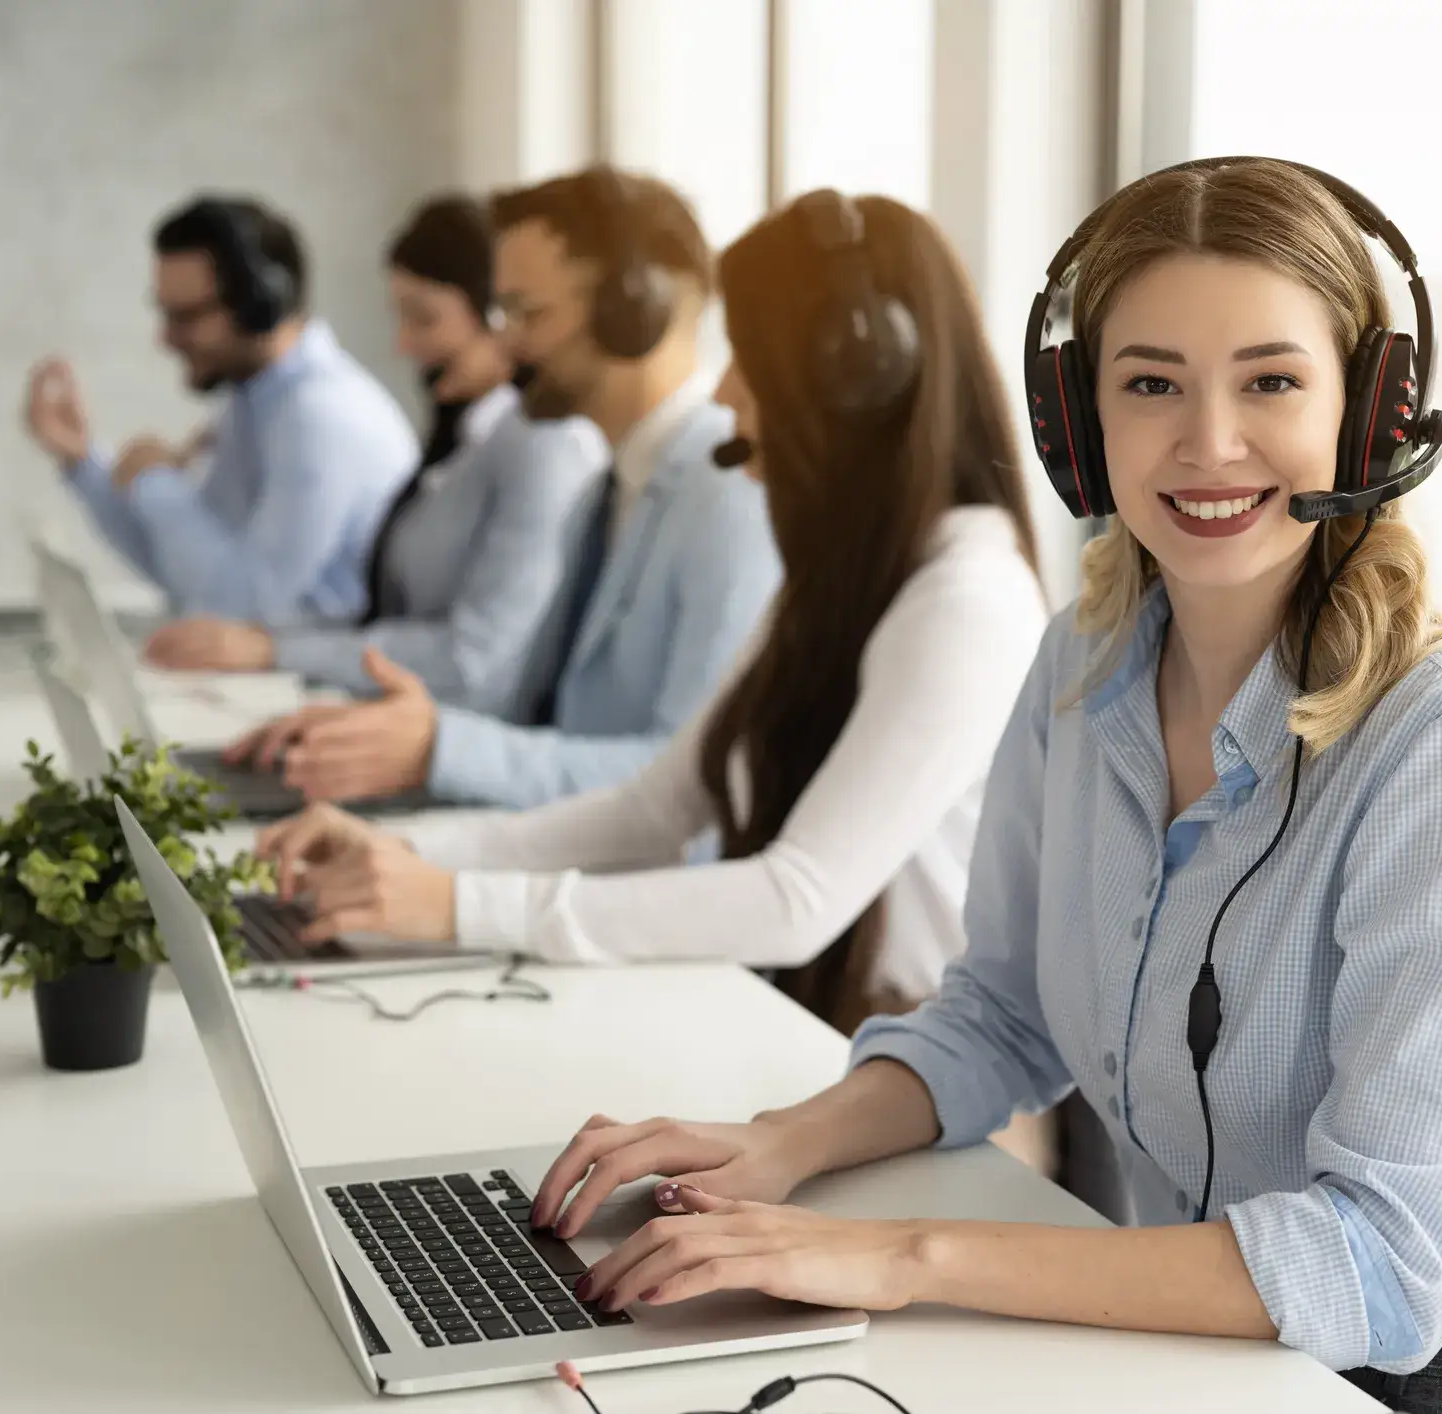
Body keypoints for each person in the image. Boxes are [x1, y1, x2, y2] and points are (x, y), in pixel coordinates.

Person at [517, 159, 1442, 1412]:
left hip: (1415, 1371)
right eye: (1150, 383)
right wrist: (779, 1144)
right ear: (1077, 420)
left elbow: (1384, 1260)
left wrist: (900, 1255)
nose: (1208, 444)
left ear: (1368, 411)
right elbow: (1002, 1013)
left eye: (1272, 380)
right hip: (1197, 1335)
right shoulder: (1087, 661)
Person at [254, 190, 1048, 1047]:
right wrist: (409, 857)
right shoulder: (846, 576)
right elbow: (653, 811)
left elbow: (796, 900)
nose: (727, 391)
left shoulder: (966, 600)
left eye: (751, 360)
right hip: (807, 1033)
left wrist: (458, 905)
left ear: (852, 381)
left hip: (919, 1073)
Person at [225, 167, 779, 809]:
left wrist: (441, 751)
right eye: (501, 310)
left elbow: (686, 776)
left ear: (633, 313)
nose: (504, 341)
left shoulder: (727, 491)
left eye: (526, 312)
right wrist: (370, 730)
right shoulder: (612, 481)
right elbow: (532, 709)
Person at [141, 194, 610, 722]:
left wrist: (274, 649)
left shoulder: (544, 448)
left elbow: (472, 665)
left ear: (495, 314)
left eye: (425, 318)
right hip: (385, 716)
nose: (404, 344)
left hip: (451, 739)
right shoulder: (465, 444)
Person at [23, 195, 418, 624]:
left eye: (185, 317)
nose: (165, 339)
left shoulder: (318, 417)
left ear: (260, 306)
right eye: (164, 313)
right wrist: (82, 461)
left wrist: (156, 482)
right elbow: (189, 576)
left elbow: (243, 606)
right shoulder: (254, 401)